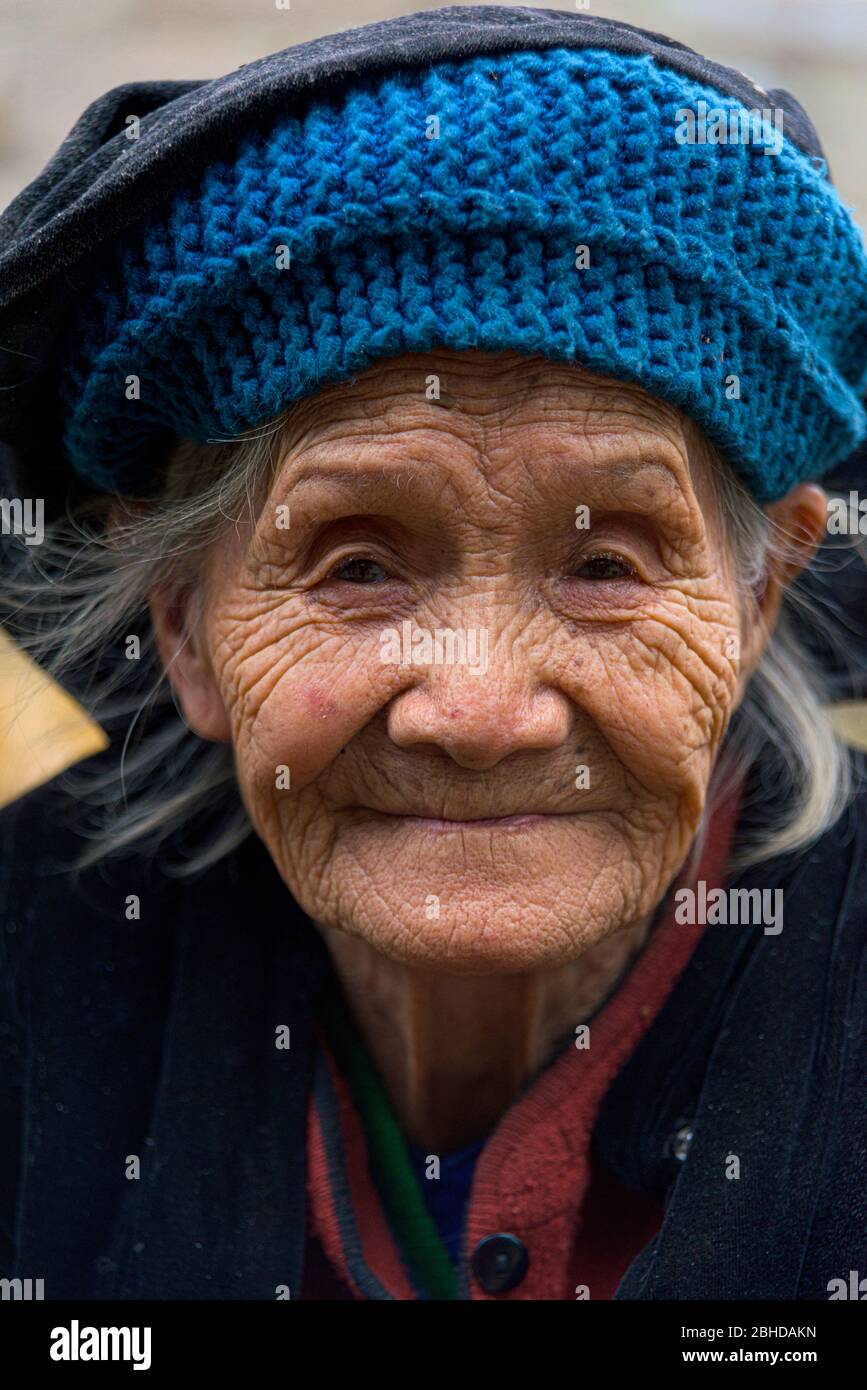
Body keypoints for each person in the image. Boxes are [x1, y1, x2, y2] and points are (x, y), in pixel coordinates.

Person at [0, 6, 865, 1301]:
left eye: (605, 564)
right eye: (357, 565)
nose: (478, 709)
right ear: (182, 621)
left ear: (754, 597)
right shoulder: (36, 959)